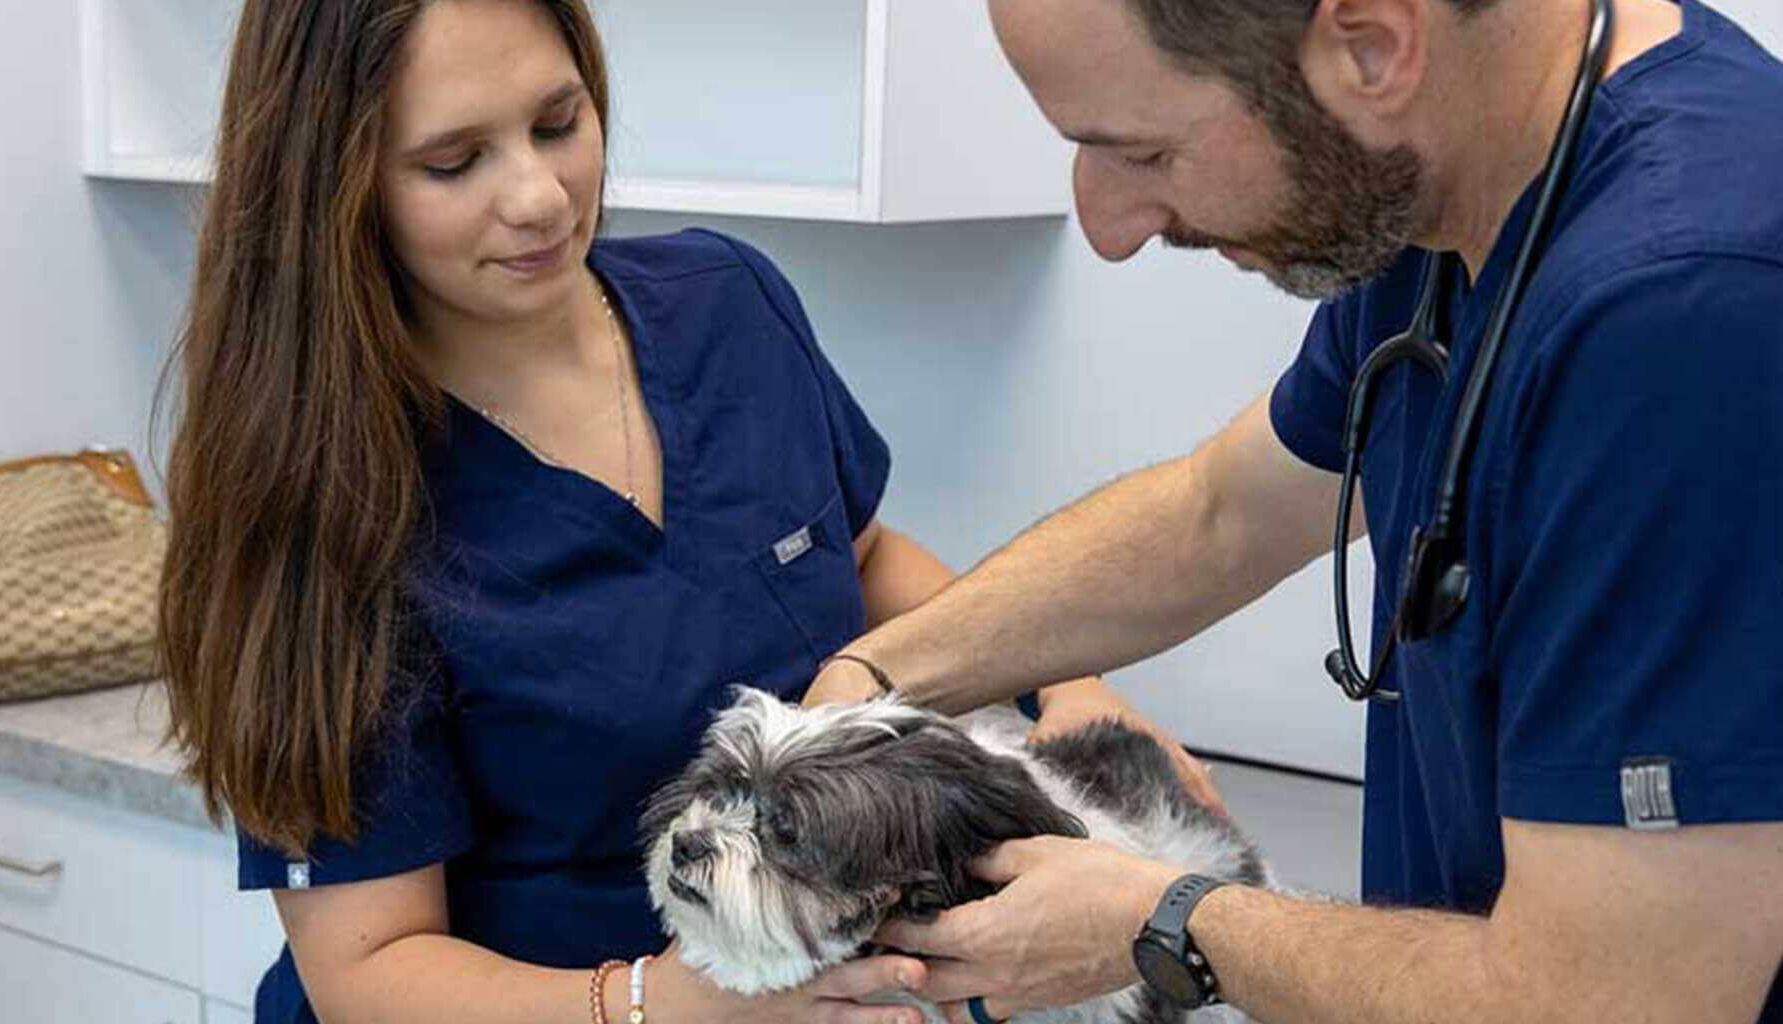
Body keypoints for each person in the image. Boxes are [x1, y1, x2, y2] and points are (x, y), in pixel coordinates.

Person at [153, 2, 1213, 1023]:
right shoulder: (322, 503)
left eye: (557, 123)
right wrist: (661, 1004)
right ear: (334, 187)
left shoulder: (725, 303)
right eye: (452, 162)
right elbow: (367, 973)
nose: (537, 196)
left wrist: (1067, 687)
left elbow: (868, 557)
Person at [806, 0, 1783, 1021]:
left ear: (1371, 46)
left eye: (1141, 153)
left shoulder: (1683, 311)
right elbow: (1214, 517)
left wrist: (1165, 920)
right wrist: (874, 677)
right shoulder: (1447, 195)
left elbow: (1612, 1003)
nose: (1104, 225)